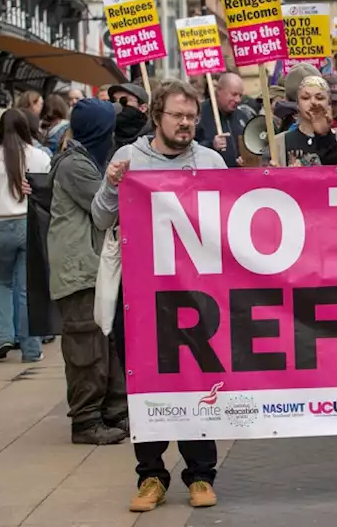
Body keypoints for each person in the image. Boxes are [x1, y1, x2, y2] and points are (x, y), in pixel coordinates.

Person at [92, 80, 224, 512]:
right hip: (142, 295)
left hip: (197, 296)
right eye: (177, 116)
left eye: (191, 117)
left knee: (197, 381)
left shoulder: (210, 161)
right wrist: (113, 184)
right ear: (157, 117)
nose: (185, 124)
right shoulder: (127, 159)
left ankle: (201, 475)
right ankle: (150, 475)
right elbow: (100, 216)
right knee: (145, 381)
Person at [47, 98, 127, 445]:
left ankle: (112, 411)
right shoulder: (75, 166)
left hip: (91, 267)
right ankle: (86, 419)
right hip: (78, 270)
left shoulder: (85, 159)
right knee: (86, 347)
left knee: (104, 342)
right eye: (110, 128)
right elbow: (104, 203)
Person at [0, 109, 50, 362]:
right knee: (28, 289)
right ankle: (31, 349)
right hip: (28, 224)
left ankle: (4, 337)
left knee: (1, 284)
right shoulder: (38, 156)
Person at [282, 74, 337, 166]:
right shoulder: (278, 143)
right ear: (297, 104)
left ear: (329, 104)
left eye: (319, 98)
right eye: (305, 98)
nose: (313, 102)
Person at [194, 71, 254, 168]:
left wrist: (246, 160)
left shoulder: (242, 116)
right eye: (234, 94)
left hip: (238, 177)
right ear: (219, 91)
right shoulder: (198, 115)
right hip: (211, 178)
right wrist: (211, 145)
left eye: (240, 95)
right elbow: (188, 150)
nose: (238, 100)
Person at [109, 83, 150, 153]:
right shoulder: (108, 141)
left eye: (124, 100)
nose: (117, 105)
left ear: (143, 108)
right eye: (114, 101)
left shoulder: (155, 140)